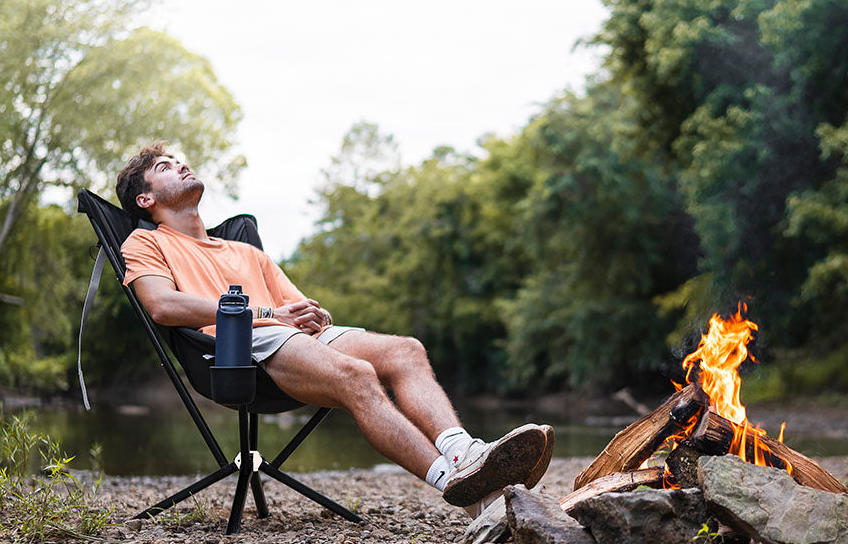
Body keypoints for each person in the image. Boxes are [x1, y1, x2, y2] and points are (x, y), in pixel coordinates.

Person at [115, 142, 553, 518]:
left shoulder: (246, 251)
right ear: (145, 199)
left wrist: (315, 316)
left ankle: (466, 454)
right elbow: (162, 305)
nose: (181, 165)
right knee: (357, 374)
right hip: (234, 347)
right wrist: (269, 314)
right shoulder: (146, 242)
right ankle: (467, 494)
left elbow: (303, 310)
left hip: (291, 337)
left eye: (178, 160)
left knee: (406, 350)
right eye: (165, 167)